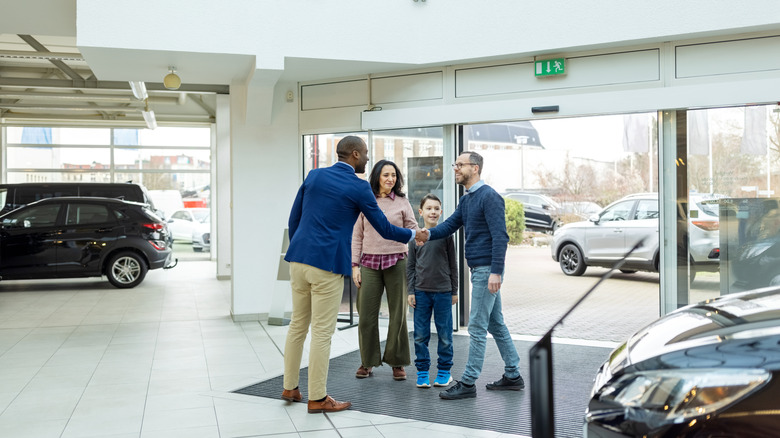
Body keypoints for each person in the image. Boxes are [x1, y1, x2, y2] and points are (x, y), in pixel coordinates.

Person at [282, 136, 416, 413]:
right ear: (355, 154)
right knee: (321, 332)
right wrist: (415, 233)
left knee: (297, 325)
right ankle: (318, 398)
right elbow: (384, 229)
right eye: (366, 154)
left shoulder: (315, 175)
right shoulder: (358, 187)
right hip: (327, 264)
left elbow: (293, 219)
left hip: (297, 259)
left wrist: (302, 248)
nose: (368, 159)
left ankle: (290, 387)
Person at [415, 151, 524, 400]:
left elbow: (500, 237)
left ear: (474, 168)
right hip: (480, 269)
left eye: (460, 165)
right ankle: (513, 375)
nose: (455, 168)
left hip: (487, 270)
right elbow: (450, 225)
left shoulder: (489, 196)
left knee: (476, 326)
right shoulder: (467, 200)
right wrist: (427, 234)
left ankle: (468, 382)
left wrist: (496, 271)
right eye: (456, 165)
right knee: (496, 324)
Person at [352, 160, 418, 381]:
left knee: (398, 314)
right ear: (377, 177)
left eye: (393, 175)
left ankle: (397, 362)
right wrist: (354, 266)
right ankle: (368, 361)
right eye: (385, 175)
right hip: (369, 263)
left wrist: (422, 235)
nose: (390, 179)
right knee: (366, 316)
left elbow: (412, 228)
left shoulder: (402, 202)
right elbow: (357, 236)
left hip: (397, 260)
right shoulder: (366, 201)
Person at [407, 193, 458, 389]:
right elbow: (410, 266)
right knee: (420, 334)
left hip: (444, 292)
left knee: (445, 334)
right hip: (421, 293)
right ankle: (422, 372)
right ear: (421, 212)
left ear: (441, 212)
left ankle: (444, 372)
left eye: (436, 208)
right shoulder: (415, 237)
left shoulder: (446, 236)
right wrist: (411, 290)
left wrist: (454, 290)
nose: (433, 212)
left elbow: (453, 265)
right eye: (429, 208)